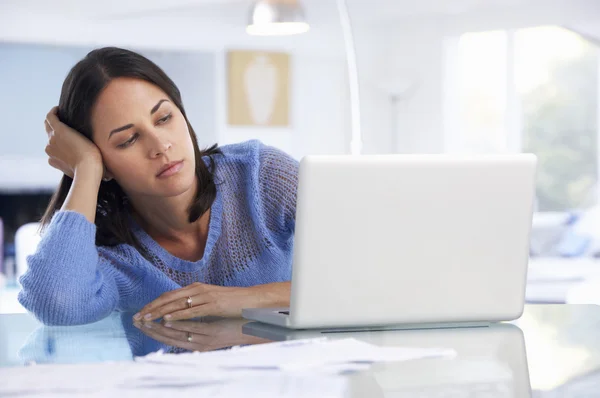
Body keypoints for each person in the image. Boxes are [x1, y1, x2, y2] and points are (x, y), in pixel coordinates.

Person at [18, 47, 298, 326]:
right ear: (106, 166)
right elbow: (56, 304)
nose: (160, 146)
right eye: (128, 139)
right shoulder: (112, 253)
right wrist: (87, 167)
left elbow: (343, 274)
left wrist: (243, 299)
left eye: (164, 118)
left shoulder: (262, 175)